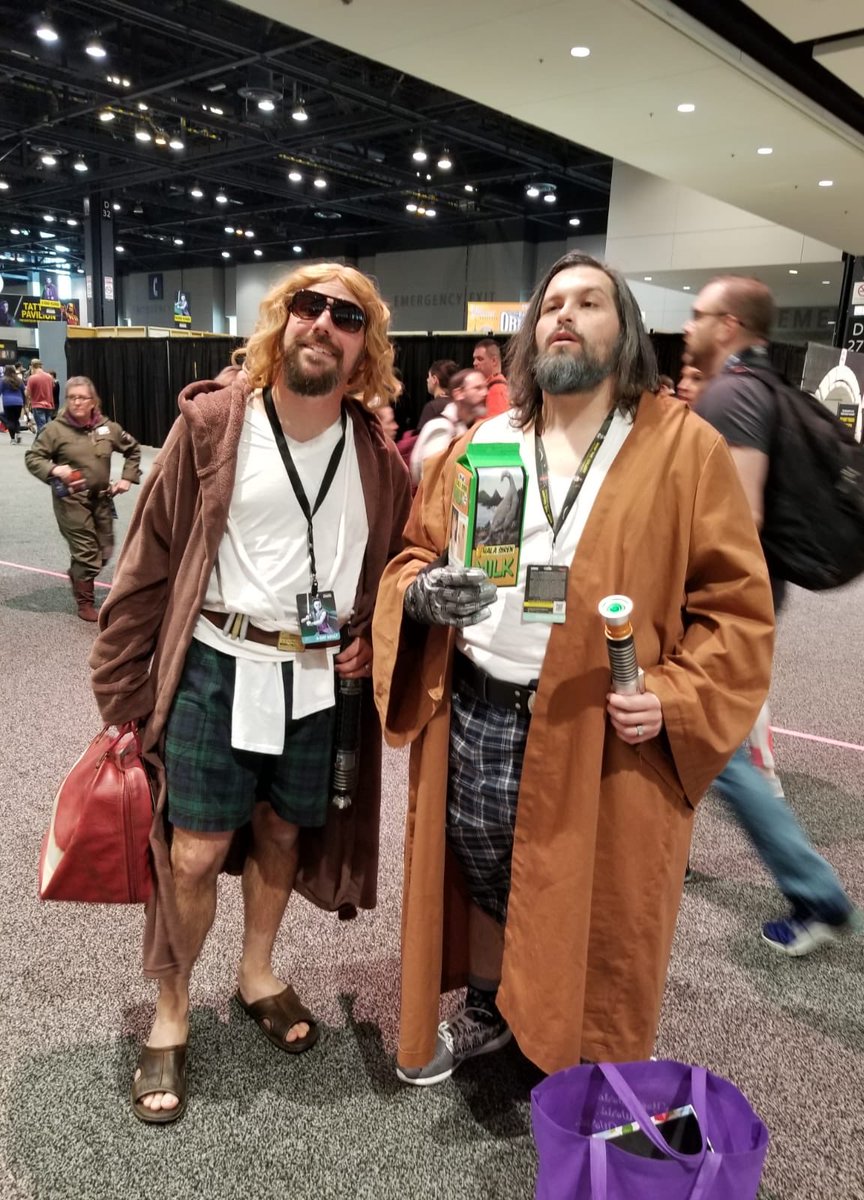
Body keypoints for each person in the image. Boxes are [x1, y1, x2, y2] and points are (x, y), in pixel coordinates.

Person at [372, 251, 775, 1085]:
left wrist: (674, 696)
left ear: (625, 334)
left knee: (585, 889)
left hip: (598, 724)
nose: (565, 314)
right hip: (478, 707)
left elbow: (736, 610)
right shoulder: (485, 443)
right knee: (482, 865)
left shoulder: (683, 450)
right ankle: (492, 1005)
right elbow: (414, 552)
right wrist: (420, 594)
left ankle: (575, 1042)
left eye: (590, 302)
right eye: (552, 303)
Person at [89, 264, 411, 1124]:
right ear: (282, 320)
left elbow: (388, 573)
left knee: (282, 832)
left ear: (366, 347)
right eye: (308, 306)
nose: (324, 324)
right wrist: (120, 690)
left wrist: (368, 637)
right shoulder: (214, 426)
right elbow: (148, 561)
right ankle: (172, 1007)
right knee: (193, 853)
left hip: (315, 679)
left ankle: (257, 971)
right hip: (216, 664)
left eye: (347, 316)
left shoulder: (378, 457)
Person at [686, 274, 864, 955]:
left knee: (717, 747)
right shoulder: (763, 386)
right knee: (710, 742)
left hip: (724, 600)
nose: (690, 328)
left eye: (700, 315)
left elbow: (738, 517)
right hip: (753, 594)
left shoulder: (730, 394)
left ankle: (818, 894)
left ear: (729, 325)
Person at [24, 377, 141, 621]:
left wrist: (127, 478)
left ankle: (78, 573)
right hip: (71, 500)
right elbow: (33, 458)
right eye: (72, 397)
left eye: (82, 397)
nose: (77, 402)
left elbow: (132, 449)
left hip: (102, 499)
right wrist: (55, 469)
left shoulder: (107, 427)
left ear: (93, 401)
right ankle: (85, 602)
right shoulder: (55, 430)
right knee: (87, 552)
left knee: (105, 550)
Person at [409, 368, 488, 484]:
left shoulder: (464, 426)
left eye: (486, 387)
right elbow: (431, 480)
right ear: (459, 393)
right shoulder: (442, 427)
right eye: (477, 388)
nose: (485, 393)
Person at [416, 359, 459, 431]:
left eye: (428, 376)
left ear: (434, 379)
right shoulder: (460, 404)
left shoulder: (432, 407)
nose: (427, 380)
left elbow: (421, 435)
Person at [472, 338, 509, 417]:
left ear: (494, 361)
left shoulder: (497, 389)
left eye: (480, 359)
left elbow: (495, 422)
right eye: (474, 359)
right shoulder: (491, 386)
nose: (474, 363)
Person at [26, 359, 56, 434]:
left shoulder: (32, 378)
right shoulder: (49, 377)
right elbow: (52, 388)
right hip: (49, 405)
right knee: (47, 427)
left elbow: (27, 393)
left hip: (37, 405)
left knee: (41, 427)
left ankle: (42, 441)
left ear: (32, 366)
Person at [1, 365, 25, 443]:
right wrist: (24, 402)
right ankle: (18, 432)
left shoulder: (3, 380)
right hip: (19, 402)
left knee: (10, 420)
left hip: (8, 403)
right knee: (15, 419)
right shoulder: (19, 380)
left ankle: (13, 439)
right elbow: (23, 391)